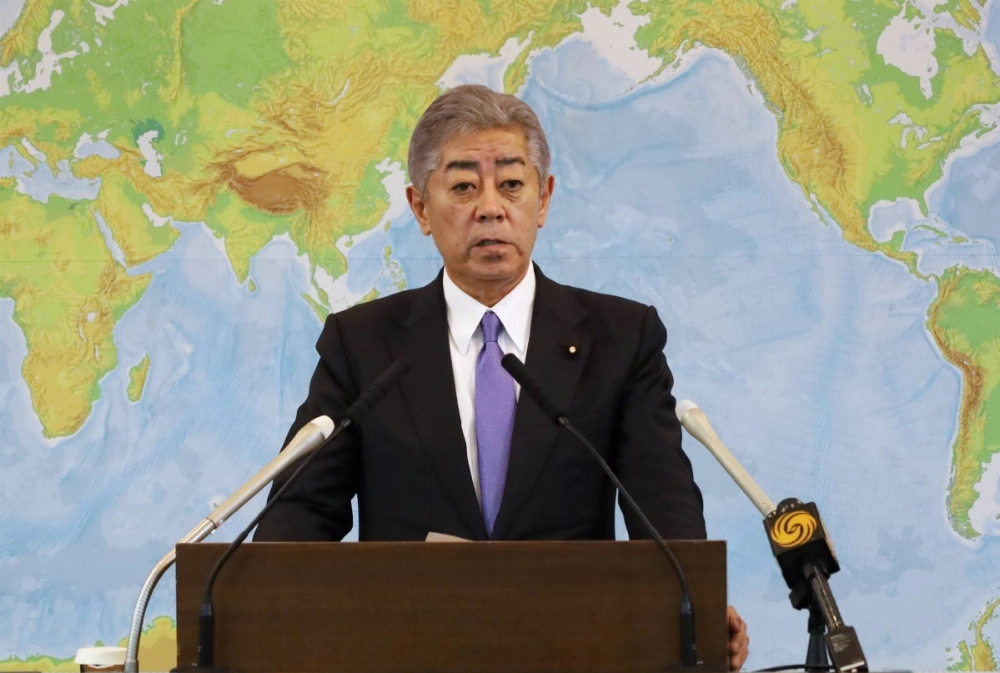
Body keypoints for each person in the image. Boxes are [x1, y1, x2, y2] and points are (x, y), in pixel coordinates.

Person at [254, 84, 749, 669]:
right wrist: (264, 611)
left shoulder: (620, 338)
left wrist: (695, 602)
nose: (490, 207)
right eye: (464, 186)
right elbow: (301, 513)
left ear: (543, 199)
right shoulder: (363, 343)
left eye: (511, 184)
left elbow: (660, 501)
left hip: (574, 651)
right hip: (407, 653)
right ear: (421, 208)